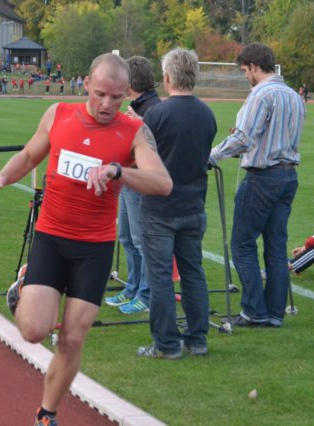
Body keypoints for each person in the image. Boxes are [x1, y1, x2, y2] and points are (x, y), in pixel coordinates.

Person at [0, 53, 172, 426]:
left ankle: (46, 414)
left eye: (116, 97)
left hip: (95, 248)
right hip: (52, 237)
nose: (107, 105)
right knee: (34, 330)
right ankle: (24, 283)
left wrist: (117, 171)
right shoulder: (59, 114)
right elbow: (29, 155)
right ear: (86, 85)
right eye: (100, 94)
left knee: (73, 339)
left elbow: (162, 183)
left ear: (126, 93)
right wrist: (2, 177)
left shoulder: (134, 131)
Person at [208, 42, 304, 328]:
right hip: (288, 175)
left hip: (263, 177)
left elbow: (244, 138)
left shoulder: (261, 94)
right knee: (276, 246)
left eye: (244, 70)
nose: (245, 76)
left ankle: (254, 311)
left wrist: (212, 156)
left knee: (241, 244)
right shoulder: (294, 95)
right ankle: (274, 313)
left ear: (253, 66)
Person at [137, 48, 217, 358]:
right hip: (193, 204)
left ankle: (166, 344)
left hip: (160, 208)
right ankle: (197, 339)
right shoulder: (206, 113)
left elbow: (142, 158)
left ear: (168, 77)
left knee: (159, 277)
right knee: (193, 272)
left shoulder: (157, 115)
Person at [105, 56, 161, 315]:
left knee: (141, 241)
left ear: (130, 81)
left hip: (140, 181)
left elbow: (155, 146)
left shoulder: (152, 108)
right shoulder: (140, 105)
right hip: (128, 178)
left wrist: (137, 123)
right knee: (127, 237)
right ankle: (133, 288)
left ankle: (146, 295)